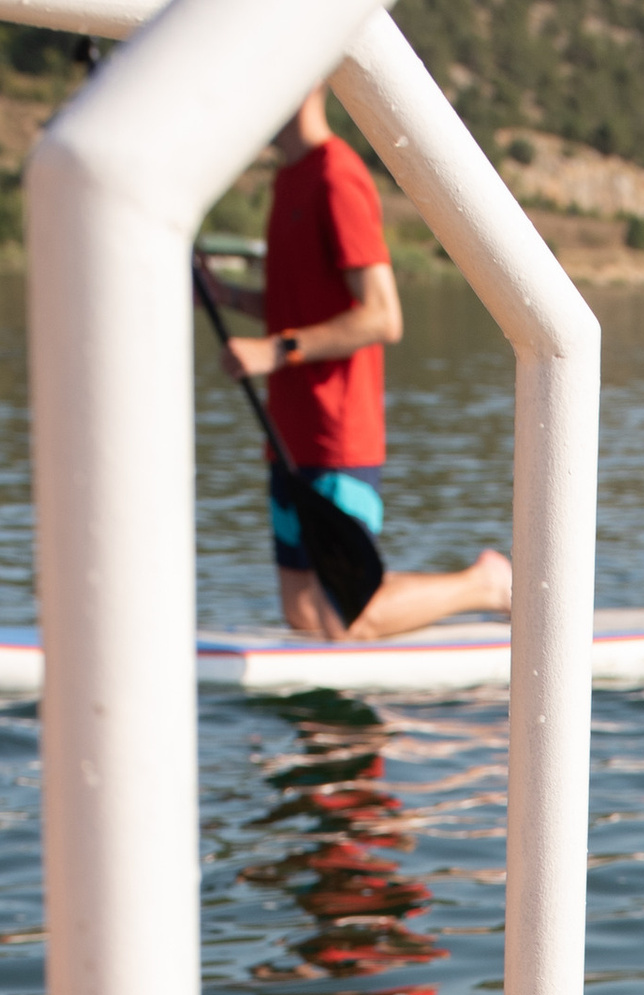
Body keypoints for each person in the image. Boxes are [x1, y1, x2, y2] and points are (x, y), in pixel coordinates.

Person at [211, 88, 511, 647]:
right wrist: (222, 293)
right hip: (287, 433)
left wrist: (273, 351)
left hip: (338, 434)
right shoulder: (288, 179)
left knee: (353, 614)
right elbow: (293, 308)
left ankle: (485, 584)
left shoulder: (337, 176)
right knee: (302, 608)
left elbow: (381, 316)